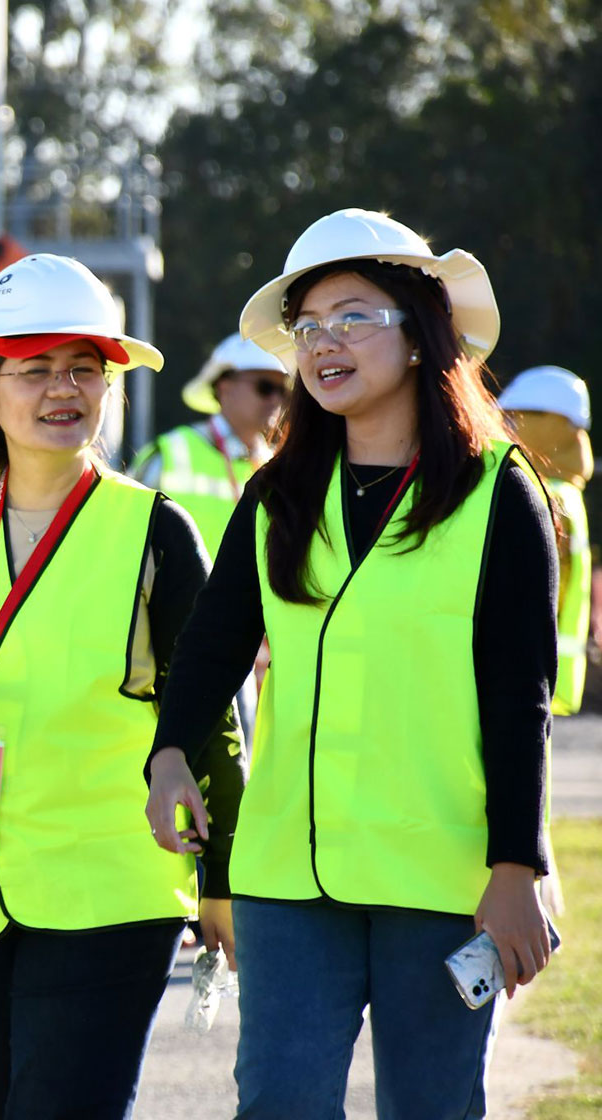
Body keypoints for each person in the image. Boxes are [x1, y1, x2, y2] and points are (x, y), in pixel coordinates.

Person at [146, 208, 556, 1119]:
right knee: (279, 1104)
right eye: (308, 326)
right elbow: (213, 640)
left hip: (441, 877)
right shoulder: (278, 491)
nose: (325, 342)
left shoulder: (501, 491)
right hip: (291, 876)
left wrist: (516, 869)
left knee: (431, 1107)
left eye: (354, 316)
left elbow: (519, 694)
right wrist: (170, 750)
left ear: (420, 333)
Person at [0, 253, 245, 1120]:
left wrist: (224, 879)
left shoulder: (156, 531)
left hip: (110, 885)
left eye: (84, 370)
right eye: (34, 371)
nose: (64, 389)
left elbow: (209, 713)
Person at [130, 334, 290, 558]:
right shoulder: (170, 452)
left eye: (281, 391)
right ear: (225, 388)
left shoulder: (279, 466)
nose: (275, 400)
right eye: (265, 387)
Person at [499, 365, 592, 715]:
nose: (508, 425)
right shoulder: (564, 490)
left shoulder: (544, 494)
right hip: (539, 675)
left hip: (522, 672)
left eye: (517, 416)